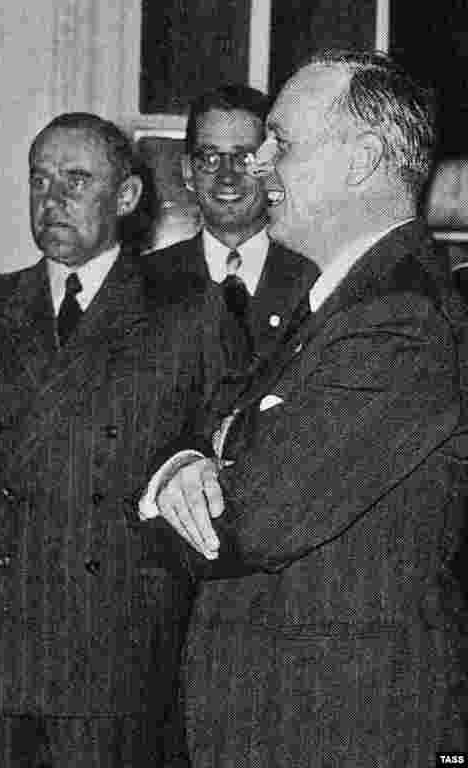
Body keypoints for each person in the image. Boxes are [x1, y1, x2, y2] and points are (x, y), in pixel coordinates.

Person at [140, 50, 468, 766]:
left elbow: (249, 521)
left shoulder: (400, 320)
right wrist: (187, 466)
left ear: (363, 160)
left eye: (280, 143)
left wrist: (194, 480)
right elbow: (210, 429)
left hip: (341, 724)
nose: (257, 163)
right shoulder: (335, 303)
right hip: (290, 715)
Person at [0, 112, 246, 767]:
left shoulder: (188, 311)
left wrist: (142, 560)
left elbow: (229, 457)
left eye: (75, 179)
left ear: (126, 198)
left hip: (120, 644)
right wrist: (6, 546)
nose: (52, 198)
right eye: (39, 179)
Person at [147, 84, 318, 363]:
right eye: (210, 158)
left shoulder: (312, 281)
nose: (227, 176)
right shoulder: (144, 285)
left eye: (245, 158)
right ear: (188, 171)